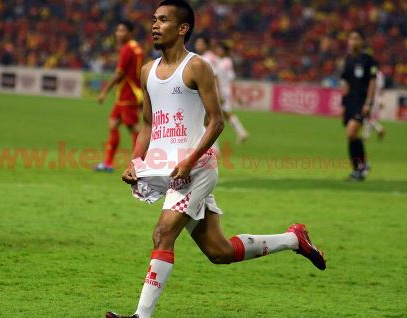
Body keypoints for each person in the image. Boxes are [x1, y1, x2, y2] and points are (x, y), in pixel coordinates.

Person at [106, 1, 326, 317]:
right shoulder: (147, 71)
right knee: (218, 251)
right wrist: (134, 161)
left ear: (182, 29)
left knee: (164, 232)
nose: (155, 25)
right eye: (154, 19)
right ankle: (294, 239)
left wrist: (190, 159)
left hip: (197, 166)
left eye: (164, 20)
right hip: (167, 168)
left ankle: (141, 316)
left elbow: (217, 120)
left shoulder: (197, 67)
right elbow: (148, 123)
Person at [94, 21, 144, 172]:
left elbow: (119, 73)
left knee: (134, 128)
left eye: (122, 30)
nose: (118, 33)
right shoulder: (137, 48)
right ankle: (108, 163)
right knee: (114, 123)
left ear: (130, 32)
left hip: (128, 94)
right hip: (130, 93)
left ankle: (139, 163)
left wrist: (104, 91)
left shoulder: (127, 49)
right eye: (117, 30)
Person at [340, 29, 378, 181]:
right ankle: (361, 167)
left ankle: (360, 167)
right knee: (351, 136)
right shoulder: (348, 60)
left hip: (362, 102)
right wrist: (343, 103)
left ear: (362, 41)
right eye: (350, 38)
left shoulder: (369, 60)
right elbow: (346, 83)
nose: (352, 41)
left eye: (356, 38)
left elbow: (372, 82)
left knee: (351, 133)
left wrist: (368, 103)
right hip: (350, 102)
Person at [215, 41, 249, 143]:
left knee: (221, 114)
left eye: (220, 49)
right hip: (224, 91)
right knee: (225, 114)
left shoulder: (224, 62)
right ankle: (241, 132)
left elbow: (228, 78)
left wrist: (220, 93)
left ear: (224, 51)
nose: (218, 51)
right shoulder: (225, 61)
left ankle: (242, 132)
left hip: (222, 91)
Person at [363, 70, 386, 140]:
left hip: (371, 97)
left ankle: (379, 129)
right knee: (368, 117)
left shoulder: (370, 73)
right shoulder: (380, 74)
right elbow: (381, 88)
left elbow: (371, 87)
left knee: (366, 116)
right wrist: (381, 99)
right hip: (377, 98)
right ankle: (366, 136)